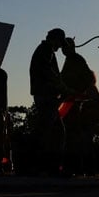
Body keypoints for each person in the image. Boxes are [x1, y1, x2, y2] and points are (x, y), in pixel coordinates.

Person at [26, 28, 66, 175]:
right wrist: (62, 87)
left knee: (53, 130)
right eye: (60, 43)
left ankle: (47, 165)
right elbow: (49, 72)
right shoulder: (46, 51)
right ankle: (45, 165)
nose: (60, 47)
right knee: (49, 131)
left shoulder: (44, 50)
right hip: (46, 95)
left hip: (44, 94)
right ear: (55, 39)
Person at [59, 38, 98, 176]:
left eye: (65, 47)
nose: (63, 49)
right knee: (71, 136)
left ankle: (76, 167)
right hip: (69, 102)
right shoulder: (70, 60)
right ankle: (75, 167)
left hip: (74, 103)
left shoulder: (76, 60)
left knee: (73, 137)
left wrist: (78, 94)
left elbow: (89, 78)